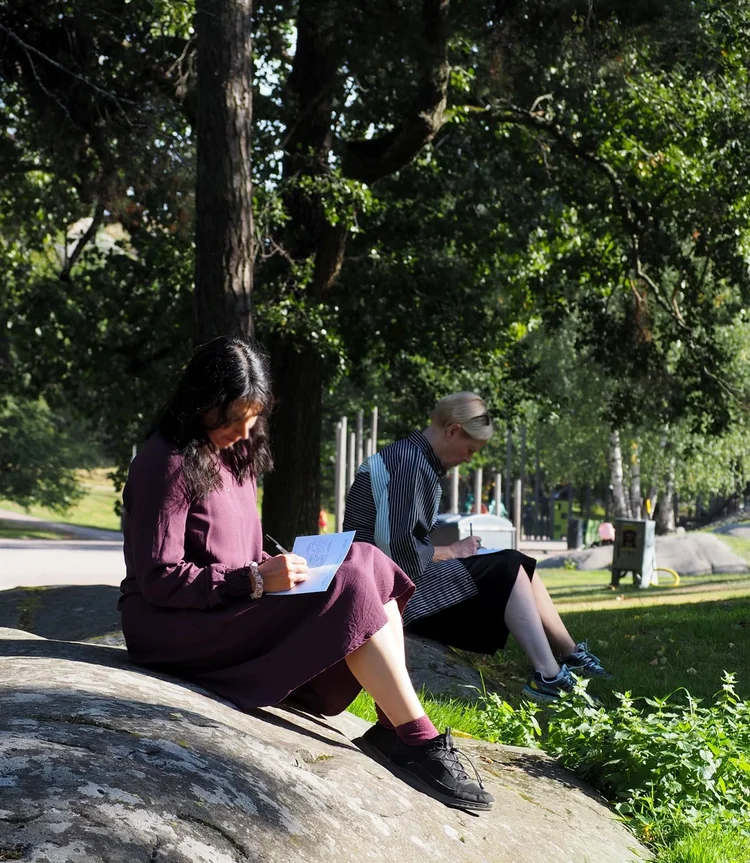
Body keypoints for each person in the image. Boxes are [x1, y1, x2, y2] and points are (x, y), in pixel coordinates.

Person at [118, 338, 493, 812]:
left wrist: (282, 564)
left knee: (367, 560)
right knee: (353, 582)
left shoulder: (234, 454)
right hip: (174, 623)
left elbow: (236, 545)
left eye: (253, 416)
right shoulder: (165, 462)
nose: (244, 429)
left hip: (232, 602)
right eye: (233, 417)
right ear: (200, 403)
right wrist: (251, 580)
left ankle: (391, 723)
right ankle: (416, 739)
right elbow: (158, 578)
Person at [343, 391, 612, 703]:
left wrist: (451, 551)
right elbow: (400, 550)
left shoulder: (412, 458)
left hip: (386, 582)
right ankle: (548, 675)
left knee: (516, 560)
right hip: (386, 594)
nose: (469, 458)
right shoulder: (409, 463)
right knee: (506, 567)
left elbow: (400, 540)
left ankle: (568, 654)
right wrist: (452, 551)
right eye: (469, 448)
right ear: (453, 431)